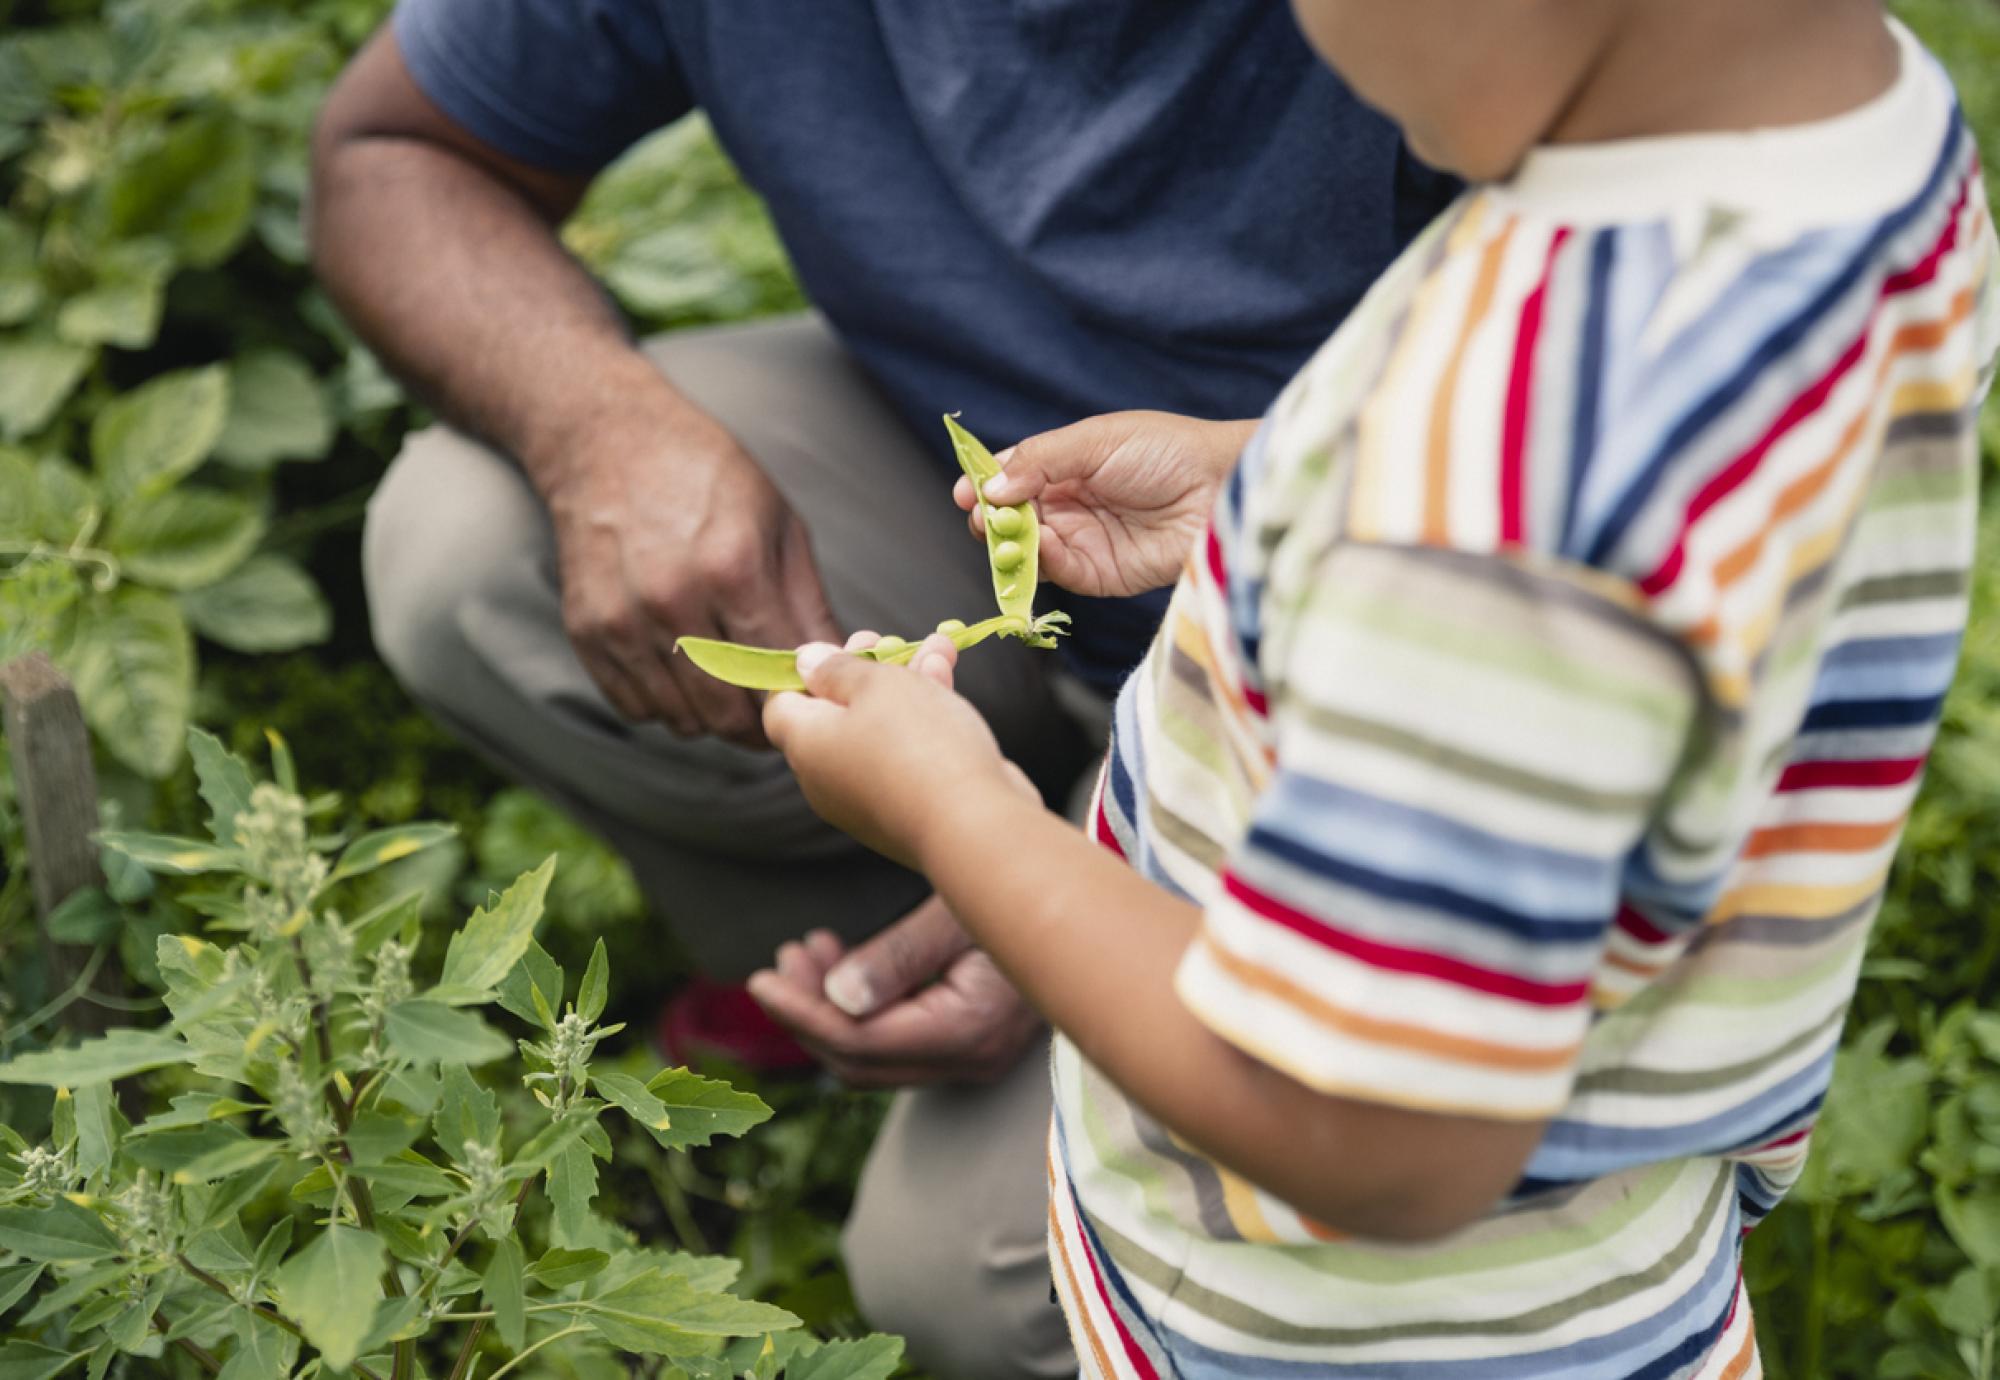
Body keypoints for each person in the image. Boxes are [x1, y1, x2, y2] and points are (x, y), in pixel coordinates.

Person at [758, 0, 2000, 1372]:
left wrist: (956, 812)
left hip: (1351, 1325)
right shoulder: (1866, 139)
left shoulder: (1500, 476)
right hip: (1600, 1249)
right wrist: (1289, 489)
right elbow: (1690, 522)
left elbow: (1364, 1128)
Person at [307, 3, 1458, 1374]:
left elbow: (1571, 523)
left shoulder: (1517, 75)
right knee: (465, 551)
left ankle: (1053, 951)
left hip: (1400, 640)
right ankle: (906, 954)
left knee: (968, 1283)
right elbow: (388, 146)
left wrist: (1027, 881)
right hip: (1073, 507)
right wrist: (600, 430)